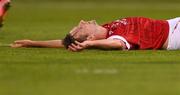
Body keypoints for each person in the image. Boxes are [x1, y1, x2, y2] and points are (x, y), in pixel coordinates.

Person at [11, 17, 180, 52]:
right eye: (80, 28)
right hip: (173, 36)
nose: (82, 22)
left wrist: (32, 42)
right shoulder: (114, 38)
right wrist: (89, 45)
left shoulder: (109, 28)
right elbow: (117, 45)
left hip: (171, 23)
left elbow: (64, 42)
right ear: (90, 38)